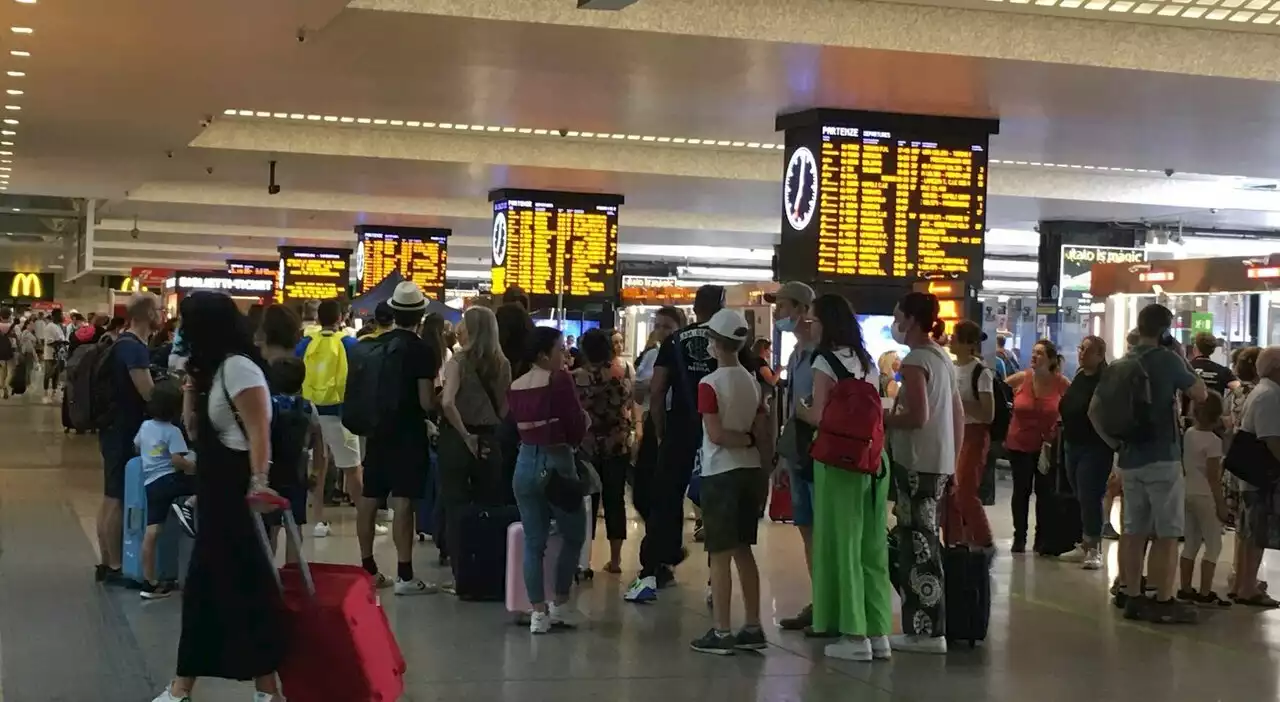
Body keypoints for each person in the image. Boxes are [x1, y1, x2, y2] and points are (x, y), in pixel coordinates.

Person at [150, 292, 285, 702]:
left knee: (230, 586)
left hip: (236, 495)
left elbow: (260, 430)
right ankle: (260, 689)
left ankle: (187, 689)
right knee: (229, 586)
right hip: (215, 493)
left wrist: (259, 481)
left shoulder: (240, 369)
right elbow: (195, 431)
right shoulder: (212, 371)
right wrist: (192, 387)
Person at [1091, 303, 1207, 624]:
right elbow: (1201, 394)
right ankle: (1164, 599)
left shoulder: (1119, 364)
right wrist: (1182, 358)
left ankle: (1131, 593)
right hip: (1163, 459)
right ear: (1165, 331)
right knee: (1167, 533)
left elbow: (1094, 411)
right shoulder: (1168, 361)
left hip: (1129, 459)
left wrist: (1116, 444)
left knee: (1133, 530)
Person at [795, 294, 892, 662]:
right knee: (871, 546)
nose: (811, 325)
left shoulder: (825, 360)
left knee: (842, 544)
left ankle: (853, 635)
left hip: (838, 462)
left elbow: (820, 416)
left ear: (827, 323)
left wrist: (800, 412)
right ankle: (877, 630)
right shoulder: (867, 361)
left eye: (814, 320)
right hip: (874, 458)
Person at [627, 285, 729, 603]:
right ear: (722, 306)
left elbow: (657, 390)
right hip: (719, 432)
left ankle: (654, 570)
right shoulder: (728, 339)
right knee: (716, 504)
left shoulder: (674, 342)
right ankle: (716, 580)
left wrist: (660, 431)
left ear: (695, 308)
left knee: (666, 500)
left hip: (679, 430)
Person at [684, 308, 771, 655]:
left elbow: (716, 434)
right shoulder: (752, 380)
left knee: (718, 555)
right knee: (743, 551)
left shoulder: (709, 384)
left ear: (715, 344)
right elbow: (762, 427)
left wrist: (744, 440)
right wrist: (757, 452)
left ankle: (721, 631)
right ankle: (753, 625)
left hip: (722, 473)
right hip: (751, 473)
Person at [884, 292, 961, 654]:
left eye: (898, 315)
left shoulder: (915, 361)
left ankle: (924, 630)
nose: (895, 322)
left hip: (915, 464)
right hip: (938, 464)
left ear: (911, 319)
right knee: (926, 543)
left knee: (917, 547)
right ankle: (931, 627)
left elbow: (918, 417)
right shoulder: (941, 357)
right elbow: (956, 416)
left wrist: (882, 418)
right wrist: (954, 461)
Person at [359, 282, 441, 594]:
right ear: (420, 314)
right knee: (403, 499)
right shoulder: (422, 350)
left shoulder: (374, 343)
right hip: (407, 433)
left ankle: (368, 567)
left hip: (377, 430)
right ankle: (405, 575)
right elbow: (424, 401)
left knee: (370, 497)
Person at [507, 326, 589, 633]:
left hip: (525, 463)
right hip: (558, 462)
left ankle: (537, 614)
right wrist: (581, 429)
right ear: (544, 355)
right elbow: (575, 424)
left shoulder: (515, 385)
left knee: (533, 541)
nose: (565, 356)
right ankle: (560, 604)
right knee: (573, 535)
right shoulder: (560, 380)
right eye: (560, 350)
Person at [438, 305, 511, 591]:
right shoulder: (502, 363)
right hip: (490, 438)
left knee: (456, 505)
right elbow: (505, 407)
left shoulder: (459, 360)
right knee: (488, 504)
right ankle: (487, 569)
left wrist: (465, 434)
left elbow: (447, 402)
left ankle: (461, 574)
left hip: (459, 437)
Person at [764, 281, 824, 632]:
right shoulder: (795, 355)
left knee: (824, 529)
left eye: (783, 306)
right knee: (806, 527)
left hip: (821, 453)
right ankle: (820, 599)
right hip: (799, 452)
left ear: (802, 310)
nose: (777, 313)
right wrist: (784, 458)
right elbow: (791, 410)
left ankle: (830, 602)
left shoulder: (822, 356)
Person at [96, 294, 159, 586]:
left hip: (112, 426)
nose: (161, 314)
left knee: (111, 495)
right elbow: (148, 394)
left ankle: (106, 561)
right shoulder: (134, 349)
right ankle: (116, 566)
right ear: (147, 314)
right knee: (117, 496)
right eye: (157, 309)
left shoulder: (121, 343)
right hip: (123, 428)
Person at [296, 300, 367, 539]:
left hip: (312, 412)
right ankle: (365, 518)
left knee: (319, 466)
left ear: (318, 318)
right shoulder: (349, 343)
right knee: (352, 469)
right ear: (341, 317)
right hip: (340, 414)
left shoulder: (306, 342)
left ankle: (318, 521)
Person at [573, 328, 634, 574]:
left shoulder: (575, 377)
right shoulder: (623, 374)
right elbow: (628, 404)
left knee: (587, 502)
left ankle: (584, 561)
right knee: (614, 500)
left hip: (586, 445)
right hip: (616, 443)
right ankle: (616, 560)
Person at [1003, 338, 1070, 554]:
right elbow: (999, 391)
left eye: (1040, 353)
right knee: (1021, 491)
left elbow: (1073, 407)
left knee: (1045, 494)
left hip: (1047, 448)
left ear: (1050, 359)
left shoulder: (1061, 383)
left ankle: (1042, 537)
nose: (1034, 356)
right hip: (1019, 443)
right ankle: (1019, 536)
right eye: (1033, 352)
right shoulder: (1022, 378)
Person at [1056, 335, 1114, 569]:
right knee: (1080, 493)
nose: (1082, 353)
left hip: (1095, 446)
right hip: (1073, 442)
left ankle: (1094, 547)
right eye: (1081, 348)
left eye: (1088, 350)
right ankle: (1085, 540)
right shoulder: (1080, 376)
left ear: (1100, 356)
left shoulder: (1105, 380)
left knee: (1090, 494)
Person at [134, 380, 195, 600]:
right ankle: (187, 505)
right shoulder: (173, 431)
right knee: (205, 486)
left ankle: (150, 583)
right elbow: (178, 460)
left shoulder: (145, 427)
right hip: (170, 480)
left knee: (152, 532)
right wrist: (194, 466)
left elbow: (137, 445)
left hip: (151, 483)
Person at [1231, 345, 1280, 608]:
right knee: (1255, 534)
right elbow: (1271, 438)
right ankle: (1247, 587)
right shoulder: (1269, 395)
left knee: (1248, 532)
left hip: (1251, 474)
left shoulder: (1262, 391)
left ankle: (1243, 582)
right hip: (1258, 475)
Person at [264, 356, 324, 565]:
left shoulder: (269, 406)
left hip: (270, 474)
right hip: (297, 473)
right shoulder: (308, 407)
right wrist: (316, 471)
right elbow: (318, 443)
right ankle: (293, 570)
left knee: (270, 527)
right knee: (295, 525)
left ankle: (268, 573)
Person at [631, 306, 685, 535]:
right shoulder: (652, 355)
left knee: (667, 490)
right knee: (642, 489)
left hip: (674, 422)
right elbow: (638, 393)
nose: (662, 332)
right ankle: (659, 536)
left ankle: (666, 544)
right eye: (658, 326)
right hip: (654, 421)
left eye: (668, 327)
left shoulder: (683, 356)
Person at [1178, 390, 1231, 607]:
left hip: (1187, 491)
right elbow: (1213, 477)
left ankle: (1185, 587)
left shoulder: (1189, 434)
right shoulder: (1214, 442)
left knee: (1190, 542)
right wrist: (1221, 504)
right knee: (1213, 545)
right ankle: (1205, 591)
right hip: (1205, 495)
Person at [945, 320, 995, 550]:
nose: (951, 340)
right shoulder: (950, 367)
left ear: (967, 343)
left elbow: (988, 413)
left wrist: (958, 403)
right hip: (952, 432)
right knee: (950, 490)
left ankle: (982, 539)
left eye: (955, 337)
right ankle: (956, 539)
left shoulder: (980, 372)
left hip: (973, 434)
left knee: (965, 489)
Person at [1189, 332, 1238, 397]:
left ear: (1195, 348)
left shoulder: (1185, 368)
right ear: (1213, 350)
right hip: (1215, 406)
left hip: (1190, 406)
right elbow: (1238, 389)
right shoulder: (1223, 371)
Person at [40, 307, 68, 398]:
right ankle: (45, 392)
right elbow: (49, 342)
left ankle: (54, 392)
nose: (62, 316)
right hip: (50, 355)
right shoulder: (50, 327)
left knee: (56, 374)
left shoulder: (58, 326)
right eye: (60, 315)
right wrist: (60, 342)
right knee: (48, 374)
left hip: (58, 355)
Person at [0, 307, 15, 398]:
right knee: (12, 370)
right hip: (9, 350)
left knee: (2, 369)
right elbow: (17, 338)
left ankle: (3, 387)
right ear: (9, 316)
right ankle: (5, 385)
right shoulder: (13, 326)